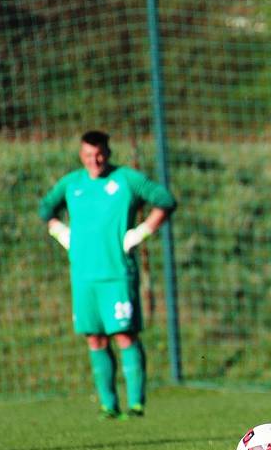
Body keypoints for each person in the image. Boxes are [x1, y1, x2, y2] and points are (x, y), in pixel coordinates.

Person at [39, 130, 176, 419]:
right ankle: (108, 405)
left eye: (99, 153)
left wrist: (141, 232)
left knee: (125, 335)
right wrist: (61, 232)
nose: (94, 160)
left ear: (108, 152)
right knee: (95, 338)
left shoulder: (126, 179)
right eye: (88, 155)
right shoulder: (72, 183)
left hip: (117, 274)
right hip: (83, 276)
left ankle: (136, 404)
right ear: (81, 155)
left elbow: (164, 200)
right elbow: (45, 208)